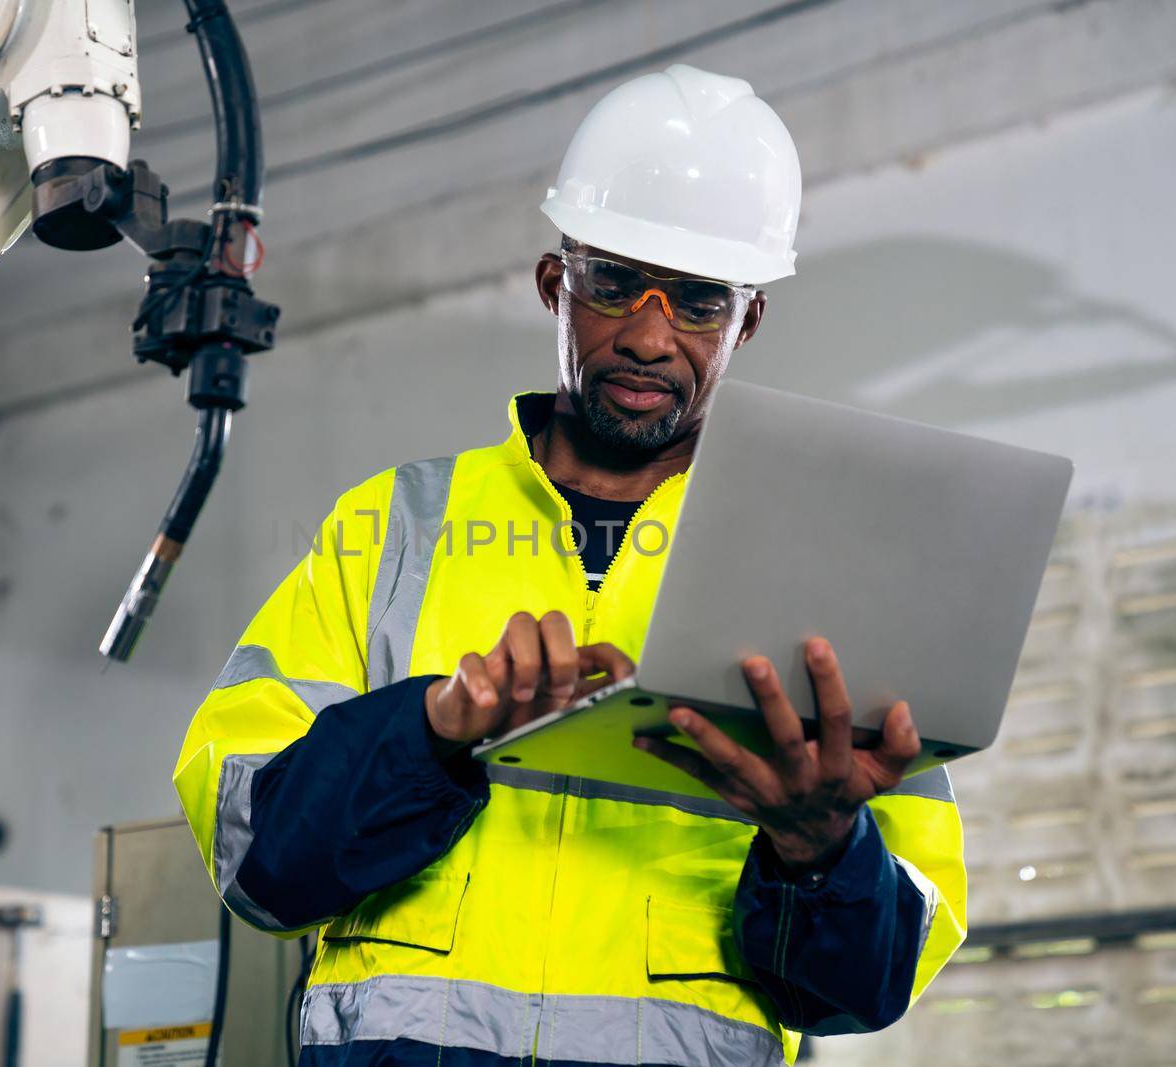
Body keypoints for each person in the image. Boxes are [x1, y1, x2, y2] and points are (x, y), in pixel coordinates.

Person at [175, 64, 965, 1067]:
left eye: (696, 301)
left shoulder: (821, 569)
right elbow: (257, 861)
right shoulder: (393, 526)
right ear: (555, 285)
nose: (645, 332)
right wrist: (430, 731)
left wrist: (821, 851)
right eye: (610, 283)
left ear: (745, 322)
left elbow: (863, 987)